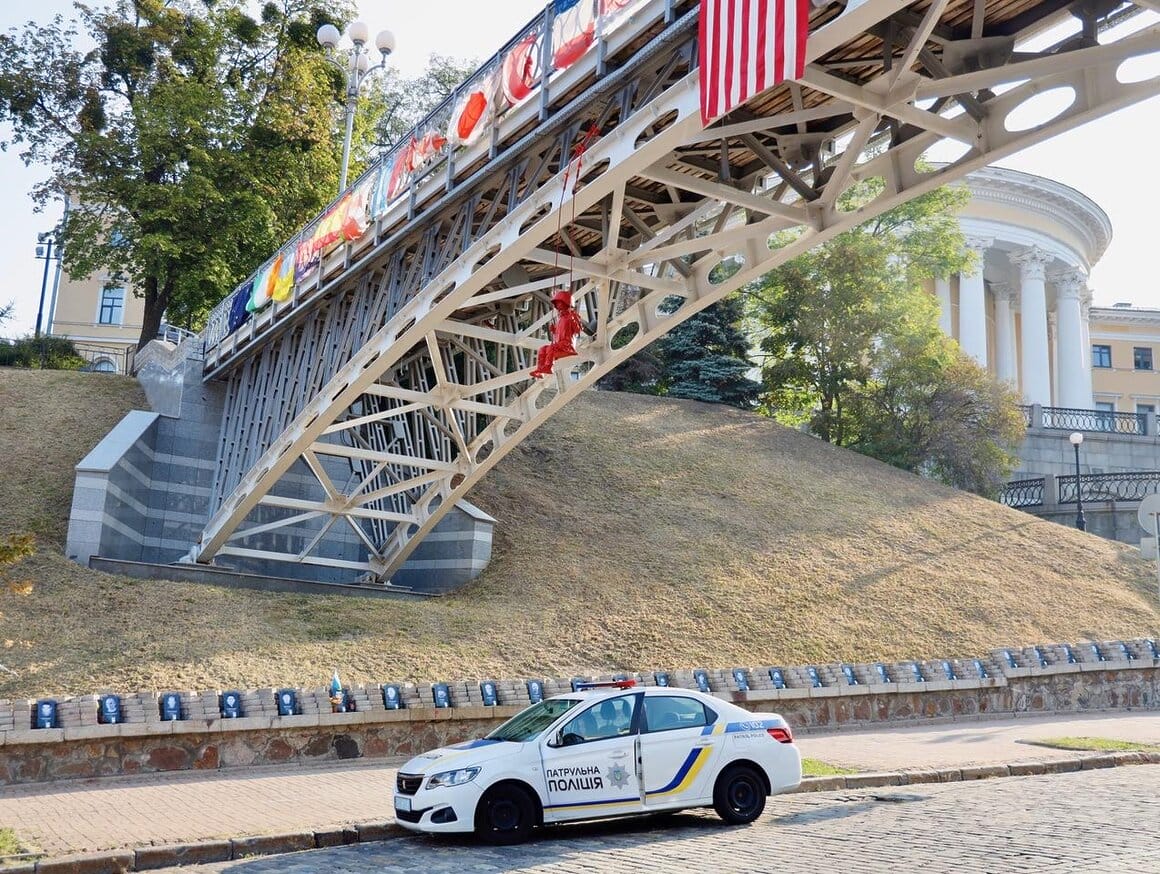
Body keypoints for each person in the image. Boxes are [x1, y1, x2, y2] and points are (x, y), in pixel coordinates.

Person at [531, 290, 584, 378]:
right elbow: (561, 331)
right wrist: (554, 330)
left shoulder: (571, 316)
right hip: (559, 345)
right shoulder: (561, 318)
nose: (558, 305)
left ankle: (548, 367)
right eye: (557, 303)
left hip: (567, 345)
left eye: (560, 303)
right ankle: (540, 370)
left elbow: (578, 330)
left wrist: (574, 320)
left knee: (550, 349)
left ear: (566, 303)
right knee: (543, 349)